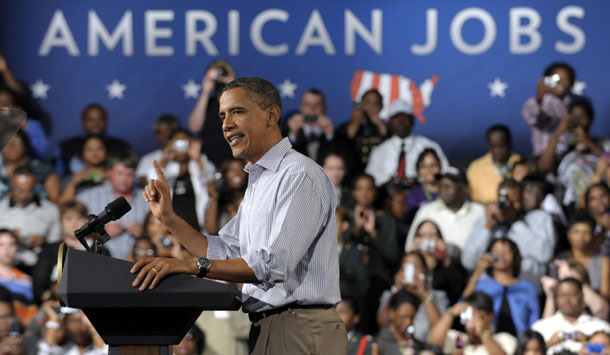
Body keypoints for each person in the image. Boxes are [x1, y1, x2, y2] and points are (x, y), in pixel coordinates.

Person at [131, 77, 347, 354]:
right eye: (222, 116)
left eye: (237, 112)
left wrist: (191, 266)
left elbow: (274, 265)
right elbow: (224, 250)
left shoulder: (298, 174)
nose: (226, 124)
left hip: (301, 327)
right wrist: (169, 218)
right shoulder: (260, 180)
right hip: (269, 326)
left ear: (272, 115)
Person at [461, 179, 555, 291]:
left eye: (513, 201)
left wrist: (514, 222)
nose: (508, 205)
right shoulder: (485, 222)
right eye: (503, 200)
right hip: (491, 293)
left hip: (525, 291)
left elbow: (544, 254)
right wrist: (488, 227)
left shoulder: (539, 218)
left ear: (521, 200)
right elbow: (468, 261)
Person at [75, 150, 148, 260]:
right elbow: (73, 232)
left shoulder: (147, 199)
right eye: (119, 173)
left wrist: (145, 232)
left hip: (136, 265)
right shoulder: (86, 197)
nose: (124, 179)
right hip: (98, 263)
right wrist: (100, 232)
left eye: (129, 175)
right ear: (109, 172)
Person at [461, 238, 539, 336]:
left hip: (519, 343)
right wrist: (477, 272)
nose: (501, 255)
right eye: (496, 252)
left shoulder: (527, 288)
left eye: (506, 252)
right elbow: (462, 306)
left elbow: (534, 323)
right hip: (487, 340)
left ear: (515, 256)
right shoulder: (481, 285)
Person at [365, 99, 448, 187]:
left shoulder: (430, 146)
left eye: (405, 118)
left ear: (412, 121)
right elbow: (369, 181)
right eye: (397, 118)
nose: (401, 122)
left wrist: (420, 181)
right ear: (390, 122)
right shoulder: (379, 151)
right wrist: (389, 182)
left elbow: (445, 173)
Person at [405, 167, 485, 257]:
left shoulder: (479, 211)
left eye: (448, 186)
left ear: (463, 189)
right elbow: (409, 247)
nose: (443, 190)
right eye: (441, 186)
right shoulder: (426, 211)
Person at [146, 129, 215, 232]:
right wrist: (165, 158)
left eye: (185, 142)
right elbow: (153, 181)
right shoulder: (168, 166)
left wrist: (197, 159)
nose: (181, 147)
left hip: (197, 227)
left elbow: (211, 182)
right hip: (171, 230)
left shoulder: (200, 162)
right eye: (177, 142)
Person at [376, 252, 449, 343]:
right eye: (406, 267)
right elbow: (382, 324)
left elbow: (439, 330)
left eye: (417, 266)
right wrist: (395, 290)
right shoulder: (391, 294)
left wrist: (424, 294)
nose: (412, 271)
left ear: (426, 270)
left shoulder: (438, 296)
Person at [0, 166, 61, 270]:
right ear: (11, 185)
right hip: (5, 265)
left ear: (35, 186)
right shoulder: (1, 208)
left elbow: (57, 243)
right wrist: (9, 237)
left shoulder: (51, 209)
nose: (23, 196)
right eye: (18, 191)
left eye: (28, 191)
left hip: (40, 265)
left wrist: (44, 242)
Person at [531, 278, 610, 354]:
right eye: (563, 295)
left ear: (582, 297)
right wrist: (549, 344)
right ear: (555, 298)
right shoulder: (540, 328)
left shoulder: (602, 327)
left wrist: (590, 342)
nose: (567, 300)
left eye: (573, 294)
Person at [428, 291, 517, 355]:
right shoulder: (459, 339)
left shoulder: (504, 339)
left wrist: (482, 333)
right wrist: (451, 313)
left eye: (480, 316)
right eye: (470, 316)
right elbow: (433, 341)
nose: (474, 321)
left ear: (491, 316)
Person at [55, 103, 130, 176]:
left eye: (99, 119)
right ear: (83, 122)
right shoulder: (68, 147)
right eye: (90, 119)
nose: (95, 123)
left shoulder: (121, 147)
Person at [187, 60, 236, 167]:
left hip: (234, 162)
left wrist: (232, 87)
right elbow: (194, 127)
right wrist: (205, 92)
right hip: (208, 162)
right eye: (215, 79)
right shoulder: (207, 104)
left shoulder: (240, 103)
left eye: (222, 77)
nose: (219, 81)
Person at [522, 62, 575, 157]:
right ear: (547, 80)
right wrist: (540, 98)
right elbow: (535, 119)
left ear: (571, 82)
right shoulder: (538, 102)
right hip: (543, 156)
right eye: (556, 78)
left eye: (565, 79)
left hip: (566, 156)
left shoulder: (573, 103)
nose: (560, 83)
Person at [409, 220, 467, 305]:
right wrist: (411, 256)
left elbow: (457, 291)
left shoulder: (446, 263)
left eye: (432, 234)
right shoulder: (408, 261)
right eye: (422, 235)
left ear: (439, 238)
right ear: (415, 239)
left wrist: (445, 259)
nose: (427, 238)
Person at [556, 212, 610, 299]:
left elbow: (606, 295)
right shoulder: (560, 260)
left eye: (586, 232)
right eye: (576, 232)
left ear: (592, 236)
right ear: (568, 234)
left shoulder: (603, 260)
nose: (581, 237)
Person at [0, 129, 60, 203]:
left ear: (25, 145)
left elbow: (55, 201)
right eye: (6, 142)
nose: (11, 145)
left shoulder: (43, 169)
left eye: (16, 141)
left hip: (39, 213)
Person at [467, 124, 521, 204]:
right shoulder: (475, 168)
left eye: (501, 145)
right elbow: (473, 199)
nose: (497, 150)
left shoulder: (521, 163)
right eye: (493, 146)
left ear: (509, 143)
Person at [336, 89, 387, 172]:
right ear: (361, 104)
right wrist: (356, 120)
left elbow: (388, 140)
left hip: (379, 171)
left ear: (381, 107)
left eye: (375, 103)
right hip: (353, 172)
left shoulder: (384, 127)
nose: (371, 107)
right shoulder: (348, 126)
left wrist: (379, 123)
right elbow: (346, 138)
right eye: (367, 103)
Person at [375, 289, 436, 355]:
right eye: (403, 317)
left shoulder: (415, 342)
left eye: (412, 317)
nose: (408, 322)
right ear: (392, 313)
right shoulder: (380, 342)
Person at [283, 89, 335, 162]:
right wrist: (293, 135)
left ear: (324, 108)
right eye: (307, 104)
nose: (312, 108)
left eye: (317, 104)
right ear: (301, 107)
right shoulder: (287, 135)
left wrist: (330, 135)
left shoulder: (334, 135)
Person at [135, 113, 181, 186]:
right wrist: (164, 160)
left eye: (166, 131)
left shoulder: (187, 156)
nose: (163, 135)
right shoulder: (148, 159)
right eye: (159, 132)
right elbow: (144, 185)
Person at [58, 136, 107, 204]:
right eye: (89, 149)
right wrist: (73, 183)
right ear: (82, 154)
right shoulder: (70, 179)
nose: (95, 152)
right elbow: (63, 205)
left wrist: (107, 180)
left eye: (99, 148)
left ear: (106, 152)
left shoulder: (115, 176)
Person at [406, 148, 442, 214]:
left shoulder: (450, 191)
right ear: (419, 170)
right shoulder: (414, 195)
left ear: (440, 167)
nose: (429, 170)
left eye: (433, 165)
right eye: (424, 166)